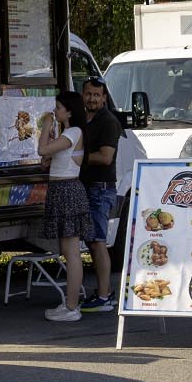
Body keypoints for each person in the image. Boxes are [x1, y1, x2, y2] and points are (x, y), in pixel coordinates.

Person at [36, 93, 90, 323]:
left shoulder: (73, 132)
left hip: (68, 191)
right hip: (61, 190)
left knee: (72, 252)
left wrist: (46, 125)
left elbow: (42, 150)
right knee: (67, 251)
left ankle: (72, 306)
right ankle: (69, 303)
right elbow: (49, 158)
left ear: (69, 111)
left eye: (58, 108)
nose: (55, 111)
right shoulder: (67, 134)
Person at [77, 77, 121, 314]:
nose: (92, 98)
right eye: (88, 94)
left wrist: (76, 157)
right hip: (87, 186)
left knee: (98, 242)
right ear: (82, 95)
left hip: (100, 188)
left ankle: (104, 296)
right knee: (92, 242)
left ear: (104, 98)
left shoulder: (108, 121)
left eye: (97, 94)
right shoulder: (84, 119)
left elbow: (105, 157)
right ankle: (104, 292)